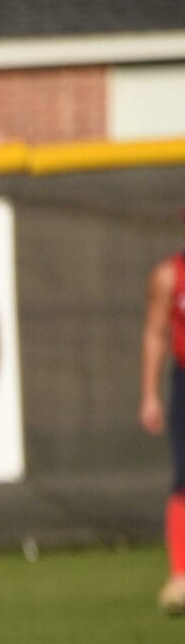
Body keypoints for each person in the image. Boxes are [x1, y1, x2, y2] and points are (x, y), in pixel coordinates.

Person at [137, 238, 185, 617]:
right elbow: (155, 332)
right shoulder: (170, 275)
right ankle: (181, 575)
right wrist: (149, 395)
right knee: (184, 477)